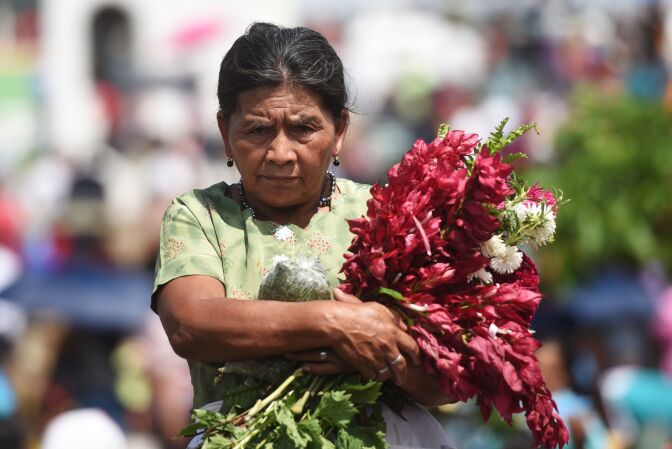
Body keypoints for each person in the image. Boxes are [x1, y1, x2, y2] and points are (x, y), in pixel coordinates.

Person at [153, 23, 455, 449]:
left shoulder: (388, 215)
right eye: (257, 130)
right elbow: (190, 325)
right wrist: (338, 323)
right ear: (225, 133)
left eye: (303, 129)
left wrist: (389, 356)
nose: (280, 153)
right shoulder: (199, 215)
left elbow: (445, 384)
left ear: (340, 131)